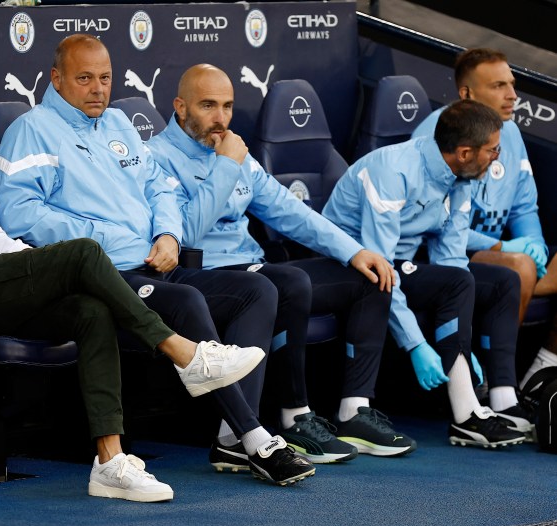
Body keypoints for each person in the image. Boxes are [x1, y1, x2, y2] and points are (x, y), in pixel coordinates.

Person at [0, 61, 270, 503]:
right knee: (85, 251)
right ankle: (185, 354)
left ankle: (110, 461)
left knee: (91, 312)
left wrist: (38, 268)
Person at [0, 34, 314, 485]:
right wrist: (107, 238)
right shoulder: (31, 129)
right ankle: (257, 438)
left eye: (104, 78)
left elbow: (158, 187)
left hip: (157, 262)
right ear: (56, 79)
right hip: (102, 274)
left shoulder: (120, 122)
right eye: (84, 79)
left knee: (257, 290)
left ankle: (229, 437)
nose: (97, 89)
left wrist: (168, 233)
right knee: (186, 301)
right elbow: (19, 215)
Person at [145, 64, 416, 464]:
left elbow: (290, 211)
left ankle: (353, 411)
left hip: (252, 266)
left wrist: (353, 250)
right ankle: (286, 419)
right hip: (203, 273)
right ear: (180, 107)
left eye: (228, 106)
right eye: (208, 106)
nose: (220, 119)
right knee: (286, 282)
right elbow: (184, 232)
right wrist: (226, 166)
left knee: (369, 277)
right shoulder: (156, 157)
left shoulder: (236, 152)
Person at [322, 99, 527, 448]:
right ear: (464, 152)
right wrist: (416, 343)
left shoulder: (462, 177)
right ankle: (466, 414)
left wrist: (460, 341)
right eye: (493, 150)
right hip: (348, 265)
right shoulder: (393, 170)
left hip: (398, 264)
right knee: (447, 282)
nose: (497, 157)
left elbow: (451, 260)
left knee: (503, 280)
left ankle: (504, 401)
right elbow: (379, 268)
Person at [411, 48, 549, 428]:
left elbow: (524, 209)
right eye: (498, 85)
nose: (512, 95)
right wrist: (507, 249)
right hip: (444, 254)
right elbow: (436, 224)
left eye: (512, 84)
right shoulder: (438, 133)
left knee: (524, 264)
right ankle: (490, 385)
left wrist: (533, 243)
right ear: (467, 94)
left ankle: (541, 369)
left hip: (499, 253)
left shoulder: (514, 134)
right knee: (517, 268)